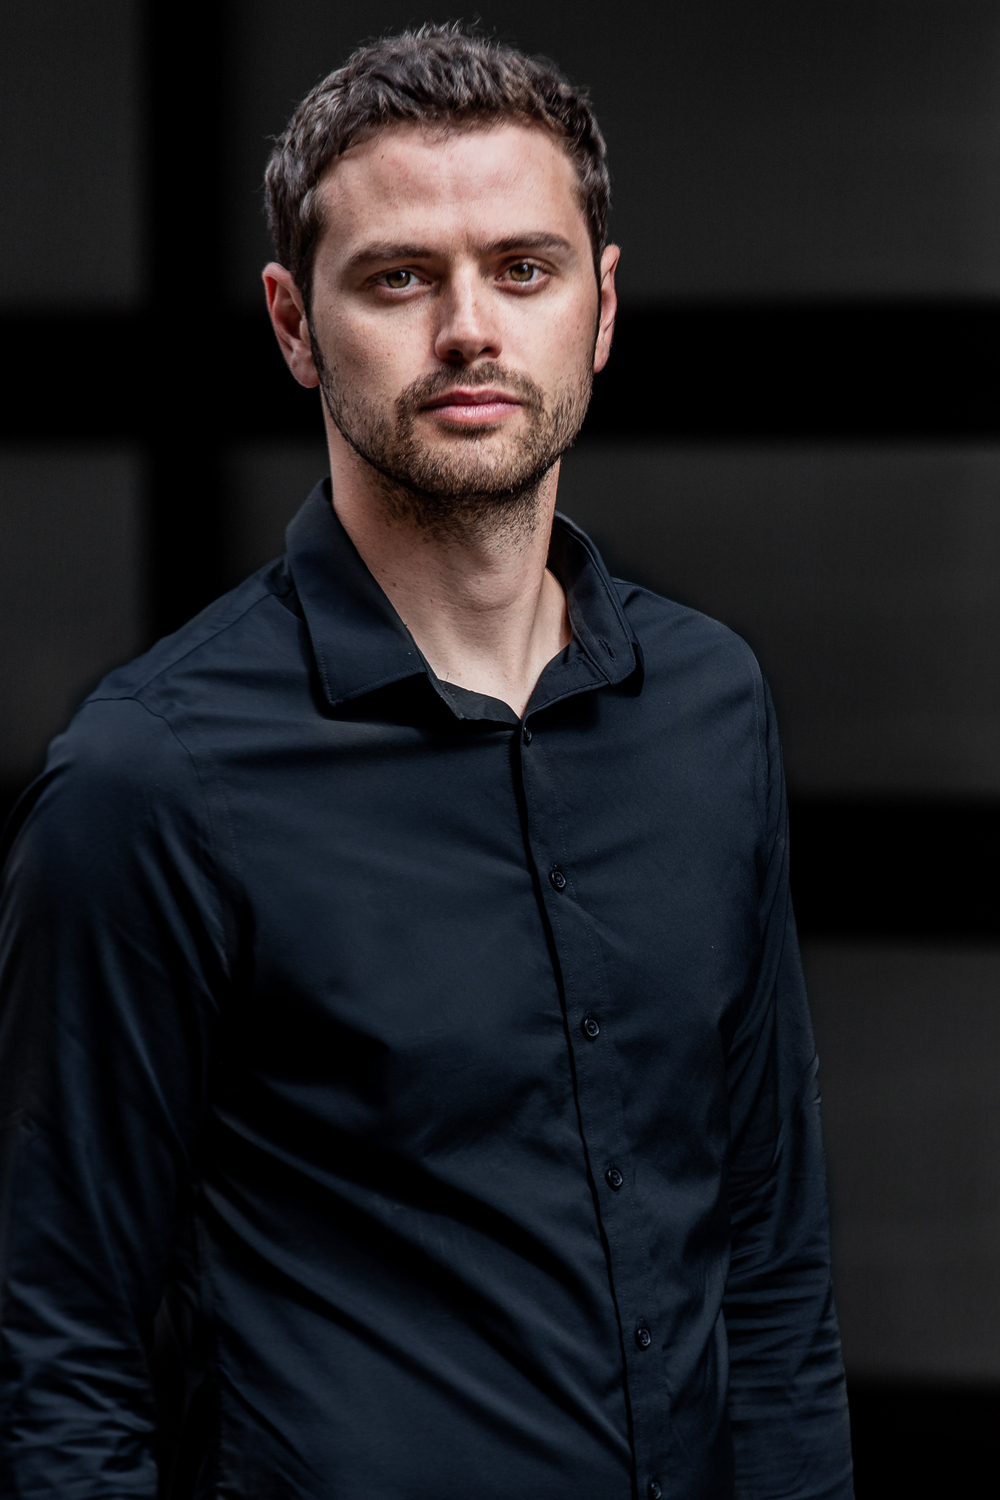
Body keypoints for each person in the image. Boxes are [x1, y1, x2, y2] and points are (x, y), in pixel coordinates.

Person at [0, 25, 853, 1500]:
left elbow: (771, 1249)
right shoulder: (150, 779)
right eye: (401, 276)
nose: (470, 327)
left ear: (598, 309)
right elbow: (58, 1344)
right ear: (292, 322)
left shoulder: (713, 704)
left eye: (522, 269)